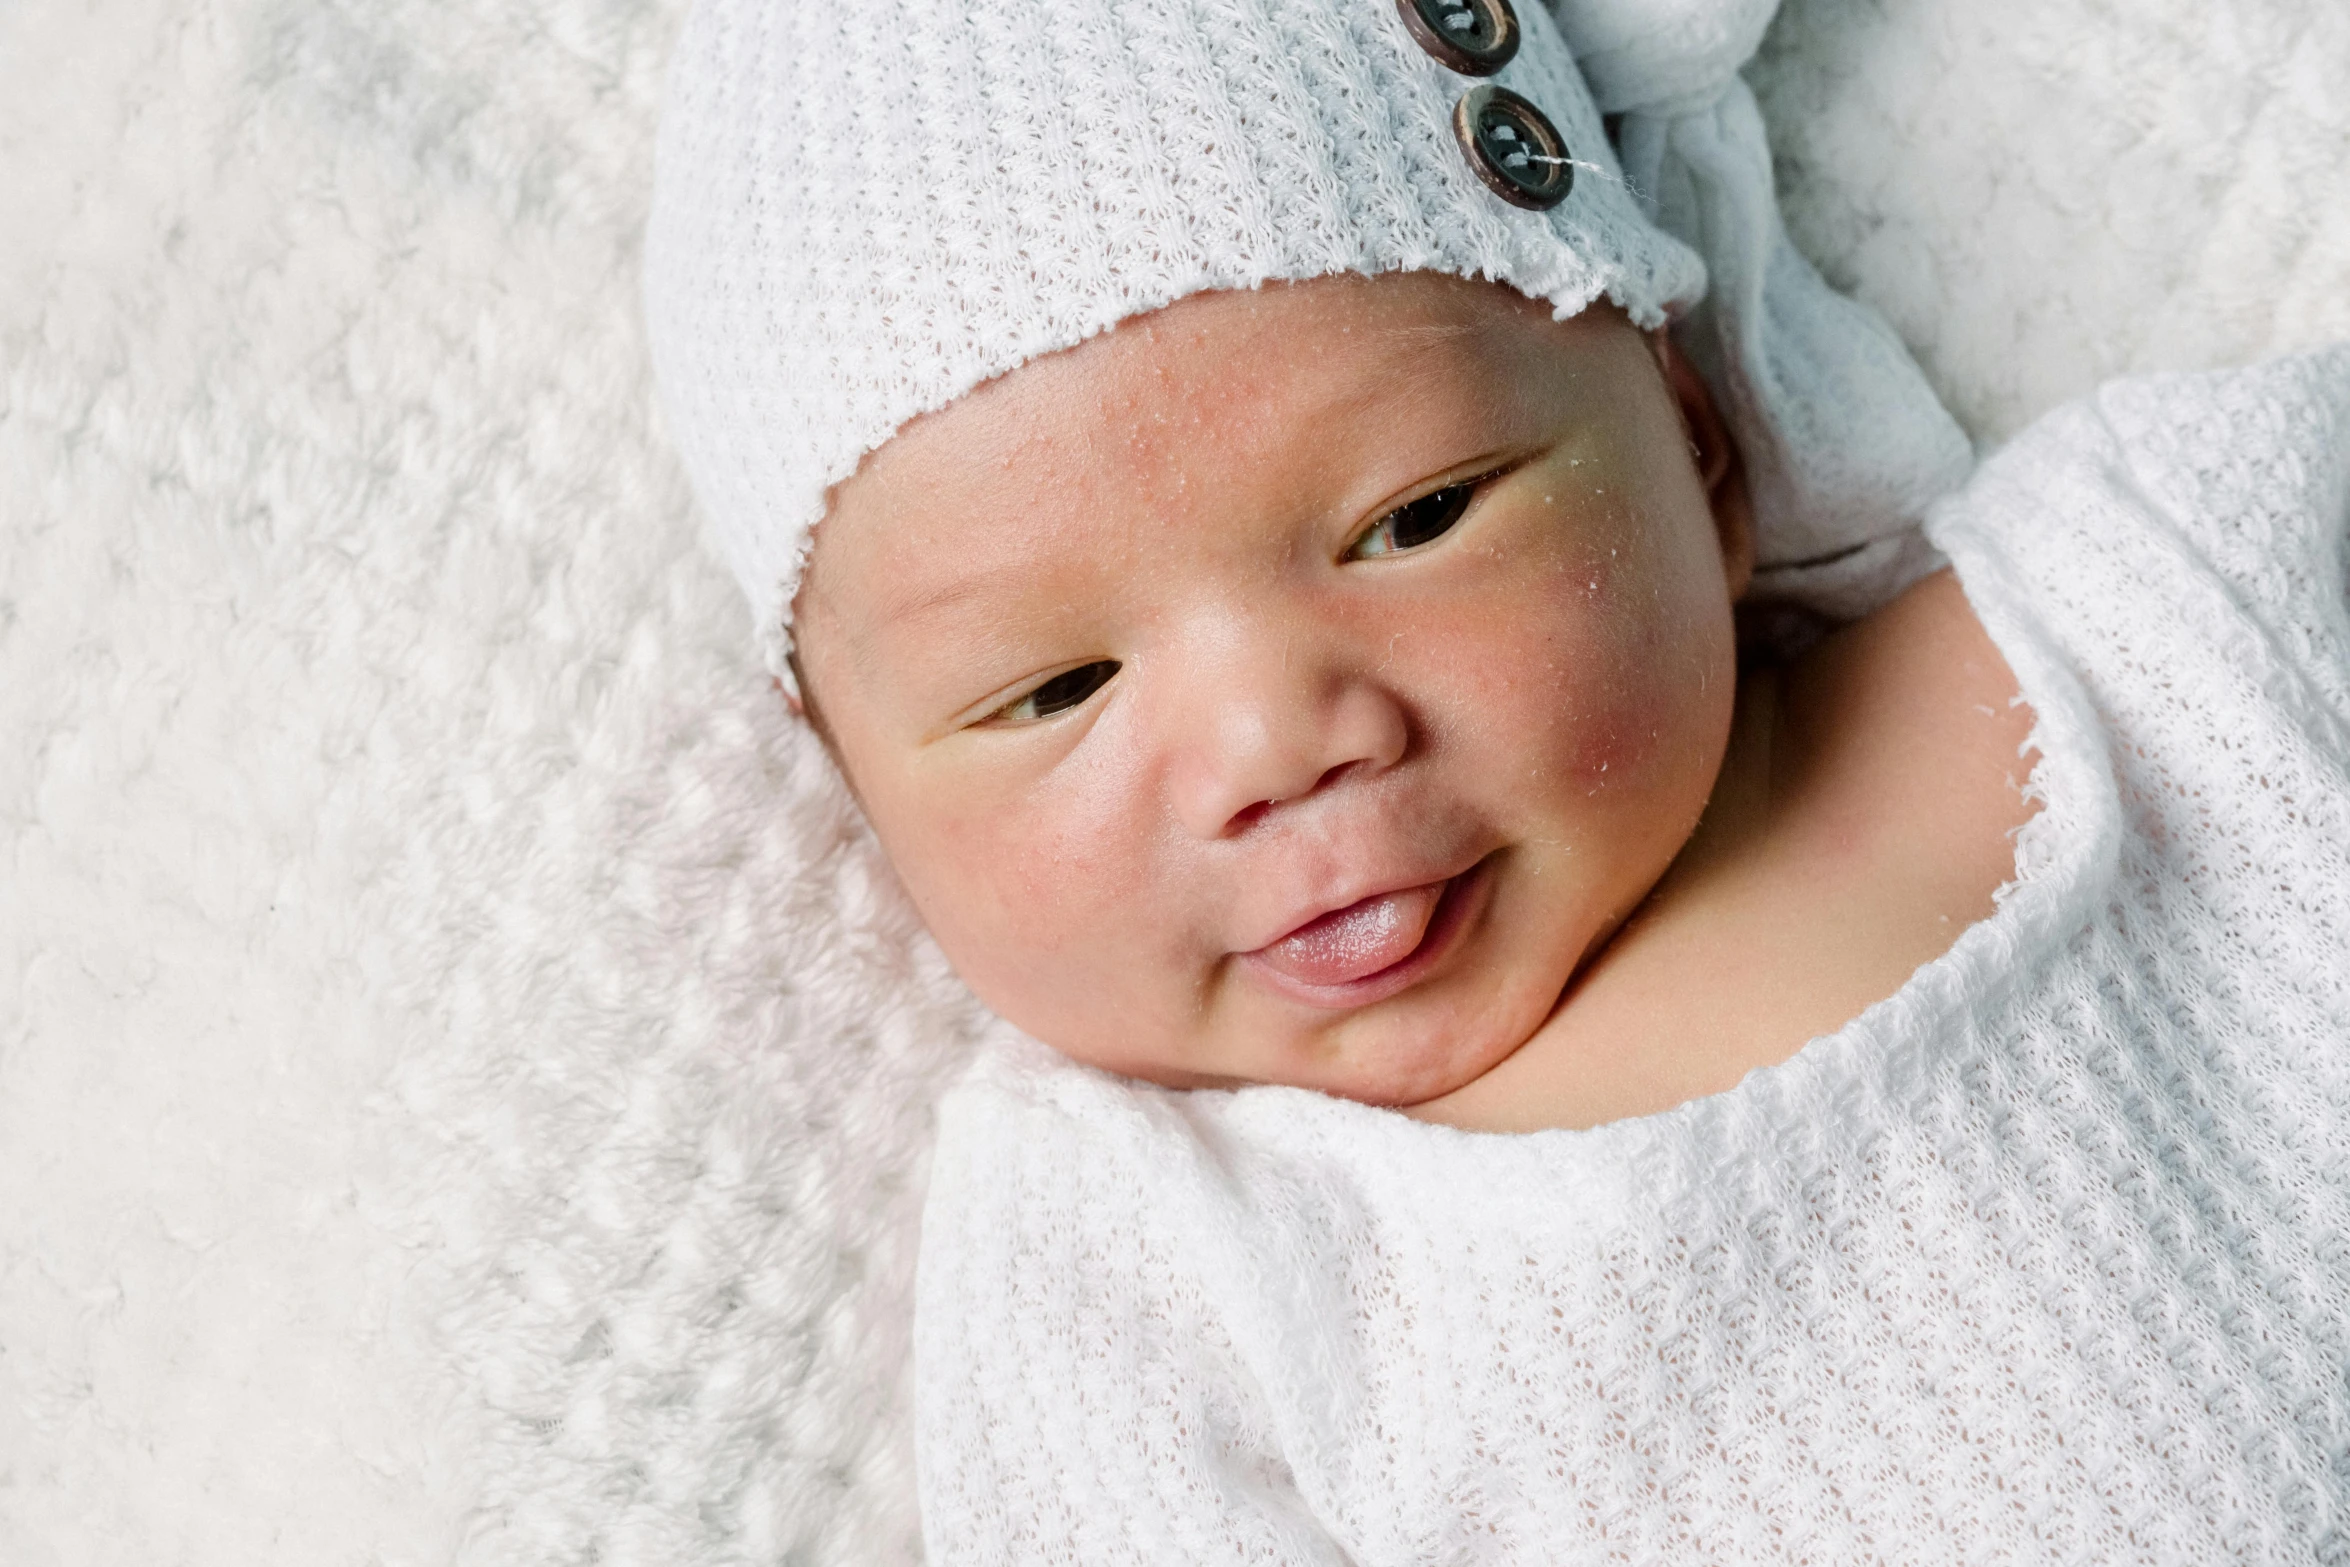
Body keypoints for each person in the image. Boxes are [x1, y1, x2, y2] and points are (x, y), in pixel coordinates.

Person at [646, 0, 2350, 1556]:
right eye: (1053, 689)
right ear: (857, 781)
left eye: (1414, 518)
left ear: (1691, 433)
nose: (1276, 746)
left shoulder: (2158, 599)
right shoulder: (1157, 1259)